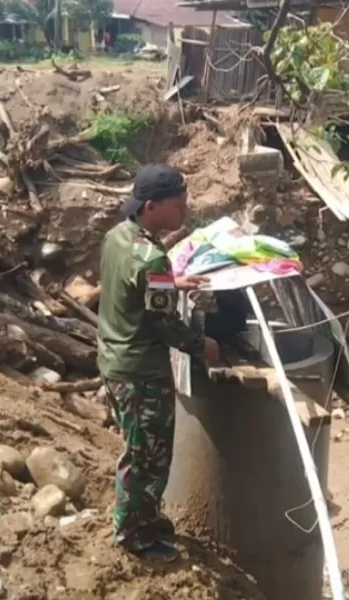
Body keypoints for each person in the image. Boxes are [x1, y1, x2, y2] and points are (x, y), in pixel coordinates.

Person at [97, 163, 220, 562]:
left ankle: (145, 517)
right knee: (147, 456)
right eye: (178, 204)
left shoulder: (119, 238)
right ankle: (133, 535)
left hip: (114, 359)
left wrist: (171, 283)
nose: (184, 211)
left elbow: (137, 288)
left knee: (139, 447)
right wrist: (202, 344)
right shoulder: (151, 257)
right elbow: (167, 325)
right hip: (140, 372)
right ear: (152, 207)